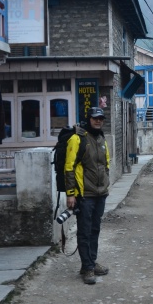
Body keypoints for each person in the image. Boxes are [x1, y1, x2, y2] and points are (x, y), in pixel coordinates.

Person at [65, 106, 110, 285]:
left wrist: (106, 184)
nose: (98, 121)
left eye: (100, 118)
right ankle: (87, 267)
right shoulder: (78, 139)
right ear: (88, 119)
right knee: (84, 231)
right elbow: (68, 168)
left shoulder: (101, 138)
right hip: (84, 195)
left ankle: (91, 262)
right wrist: (70, 194)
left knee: (95, 230)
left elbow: (105, 164)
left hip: (100, 194)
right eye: (94, 118)